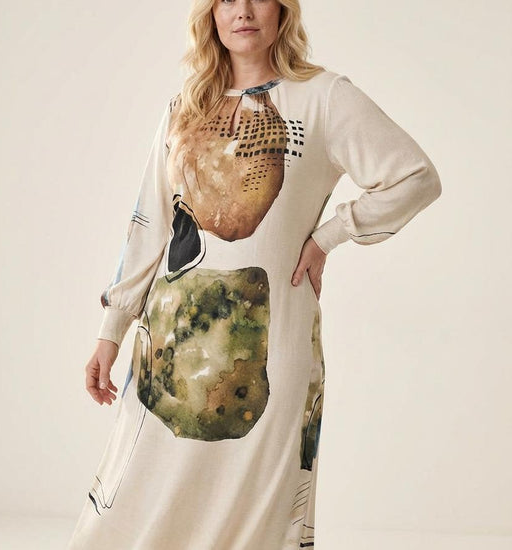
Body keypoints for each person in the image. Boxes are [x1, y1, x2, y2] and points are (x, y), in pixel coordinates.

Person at [67, 1, 442, 548]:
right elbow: (150, 225)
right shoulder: (183, 108)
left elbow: (415, 177)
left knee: (258, 506)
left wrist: (329, 236)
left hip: (269, 347)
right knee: (137, 494)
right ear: (210, 15)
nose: (242, 10)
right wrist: (111, 331)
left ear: (283, 10)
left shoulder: (323, 97)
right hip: (167, 344)